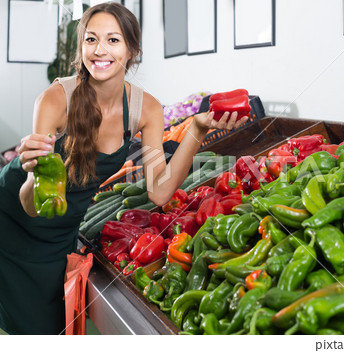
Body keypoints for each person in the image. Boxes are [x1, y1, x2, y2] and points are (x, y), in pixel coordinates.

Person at [0, 2, 248, 334]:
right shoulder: (56, 100)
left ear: (132, 50)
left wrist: (197, 130)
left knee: (46, 326)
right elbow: (31, 205)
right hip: (14, 218)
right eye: (91, 39)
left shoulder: (147, 108)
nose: (100, 50)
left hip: (60, 233)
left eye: (113, 40)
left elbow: (159, 190)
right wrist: (33, 168)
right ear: (81, 46)